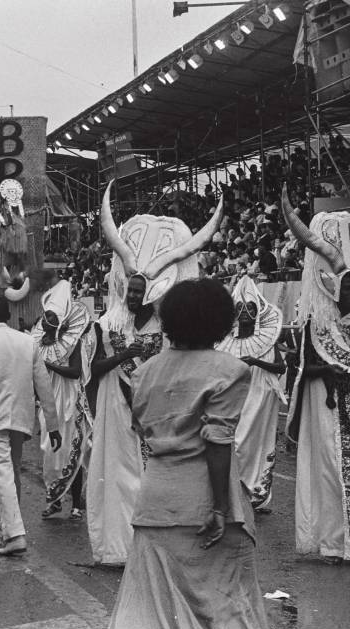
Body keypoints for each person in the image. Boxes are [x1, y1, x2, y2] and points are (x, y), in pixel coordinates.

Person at [99, 278, 271, 629]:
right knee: (223, 601)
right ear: (219, 321)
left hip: (155, 500)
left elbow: (144, 431)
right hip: (205, 499)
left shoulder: (144, 373)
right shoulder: (231, 370)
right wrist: (220, 508)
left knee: (152, 609)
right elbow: (218, 442)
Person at [88, 182, 220, 565]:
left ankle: (155, 550)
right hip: (117, 412)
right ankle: (119, 549)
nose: (132, 296)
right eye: (129, 290)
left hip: (157, 418)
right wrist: (125, 354)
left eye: (138, 291)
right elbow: (94, 369)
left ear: (151, 291)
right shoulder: (107, 324)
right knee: (118, 478)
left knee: (154, 480)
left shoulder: (168, 330)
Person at [282, 194, 350, 563]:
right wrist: (329, 370)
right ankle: (334, 543)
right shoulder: (317, 325)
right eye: (348, 286)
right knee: (330, 474)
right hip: (329, 412)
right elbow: (301, 369)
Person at [0, 296, 61, 556]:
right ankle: (9, 525)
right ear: (9, 316)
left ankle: (14, 533)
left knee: (1, 473)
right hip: (21, 417)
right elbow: (44, 385)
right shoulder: (28, 341)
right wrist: (53, 425)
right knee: (11, 470)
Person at [217, 276, 286, 511]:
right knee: (236, 444)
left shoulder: (267, 340)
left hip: (262, 399)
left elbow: (281, 368)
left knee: (258, 446)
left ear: (258, 312)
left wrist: (256, 361)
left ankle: (256, 495)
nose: (245, 312)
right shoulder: (225, 341)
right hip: (235, 399)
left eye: (250, 308)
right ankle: (233, 494)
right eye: (240, 307)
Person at [30, 279, 95, 520]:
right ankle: (54, 501)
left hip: (68, 400)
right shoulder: (38, 342)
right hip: (48, 402)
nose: (45, 320)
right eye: (45, 315)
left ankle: (76, 504)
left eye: (51, 316)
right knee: (50, 452)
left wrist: (49, 366)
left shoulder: (73, 343)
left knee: (70, 452)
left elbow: (75, 372)